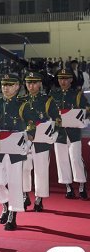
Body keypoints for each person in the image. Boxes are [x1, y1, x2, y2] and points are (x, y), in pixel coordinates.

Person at [0, 73, 31, 230]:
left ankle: (13, 213)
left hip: (15, 148)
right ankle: (5, 204)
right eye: (4, 85)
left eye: (10, 85)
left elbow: (31, 124)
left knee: (14, 182)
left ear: (17, 87)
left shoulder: (23, 105)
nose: (6, 88)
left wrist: (29, 141)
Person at [20, 71, 60, 211]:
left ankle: (39, 198)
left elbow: (57, 119)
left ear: (40, 84)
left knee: (41, 170)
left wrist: (55, 134)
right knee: (23, 169)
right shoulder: (21, 100)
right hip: (24, 140)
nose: (31, 85)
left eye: (34, 82)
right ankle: (24, 195)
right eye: (28, 82)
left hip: (42, 141)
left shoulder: (47, 100)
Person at [49, 68, 90, 199]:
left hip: (74, 133)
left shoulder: (77, 94)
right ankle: (68, 187)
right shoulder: (53, 95)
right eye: (61, 78)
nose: (63, 81)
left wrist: (84, 118)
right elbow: (48, 113)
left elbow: (87, 109)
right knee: (61, 161)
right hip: (59, 133)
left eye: (66, 78)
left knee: (76, 159)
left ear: (71, 80)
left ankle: (82, 185)